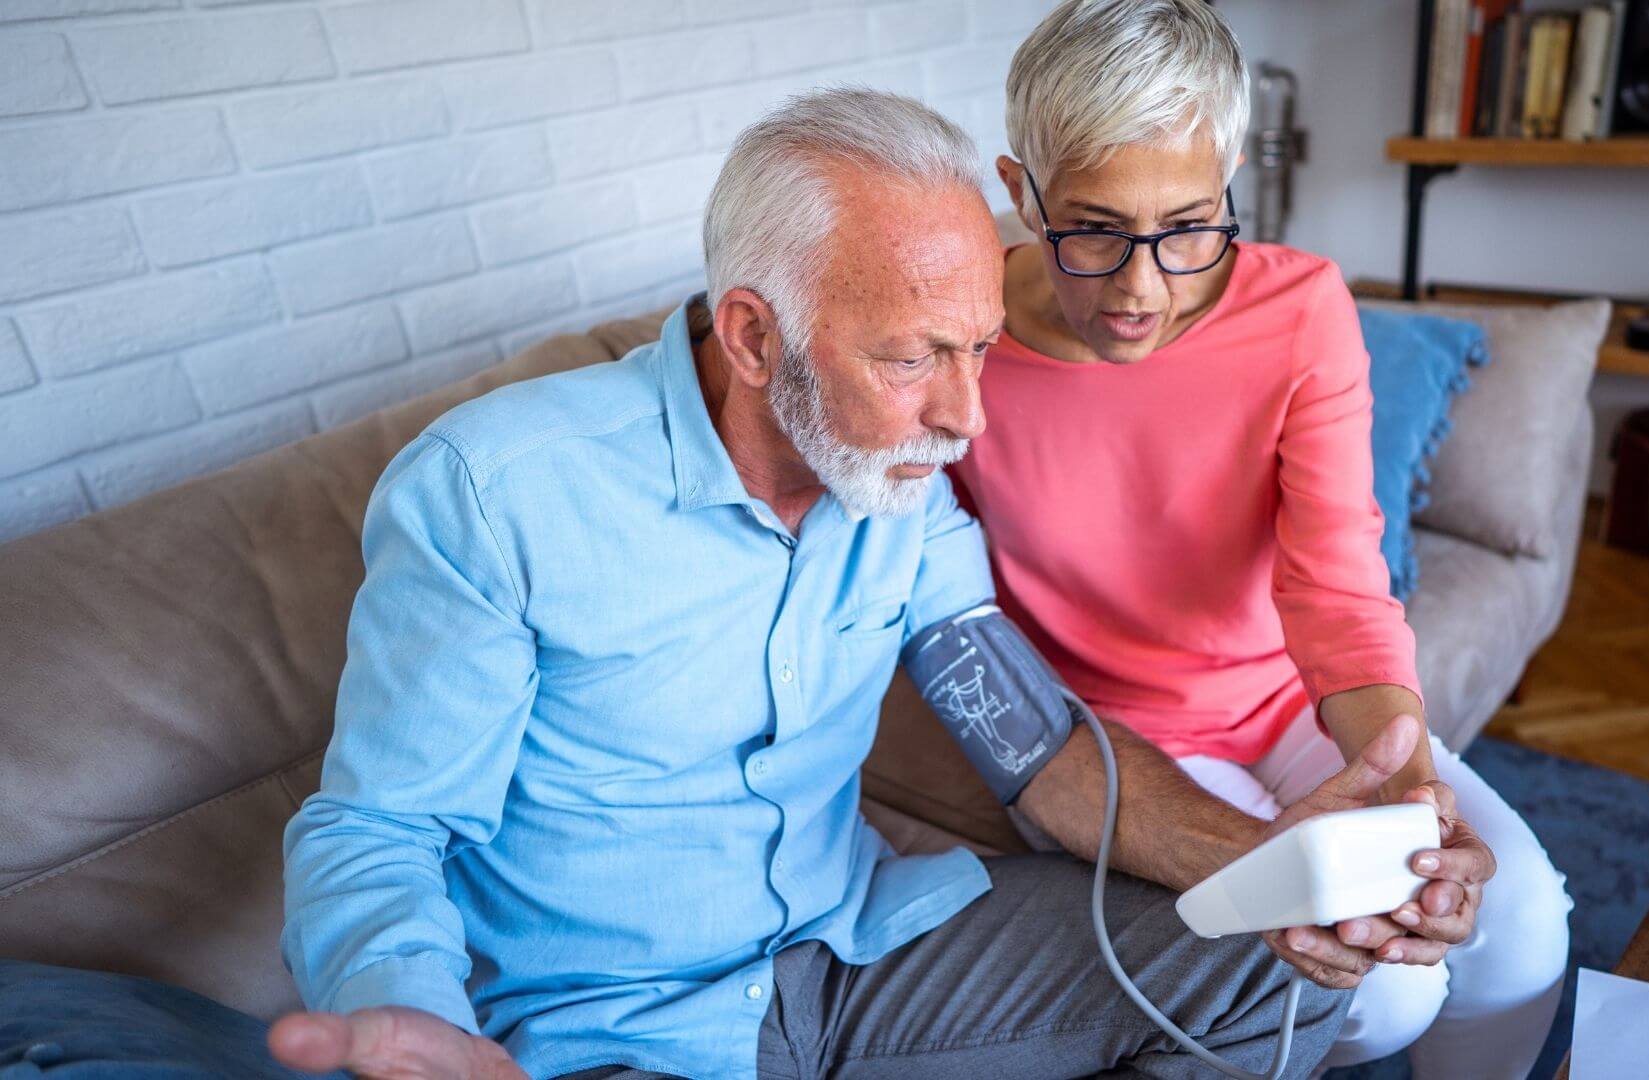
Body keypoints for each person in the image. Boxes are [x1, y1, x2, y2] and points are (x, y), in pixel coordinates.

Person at [259, 87, 1395, 1080]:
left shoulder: (904, 495)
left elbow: (1038, 749)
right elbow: (378, 828)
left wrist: (1284, 870)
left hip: (860, 951)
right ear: (755, 338)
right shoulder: (494, 494)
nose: (969, 417)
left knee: (1272, 972)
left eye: (981, 349)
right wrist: (409, 1025)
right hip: (613, 1032)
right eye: (914, 357)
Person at [947, 3, 1576, 1078]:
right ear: (1021, 191)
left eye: (1189, 225)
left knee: (1525, 936)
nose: (1143, 289)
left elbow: (1338, 582)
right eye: (1093, 227)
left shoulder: (1300, 309)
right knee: (1387, 997)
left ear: (1231, 174)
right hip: (1120, 743)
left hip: (1290, 699)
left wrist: (1405, 783)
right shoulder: (957, 336)